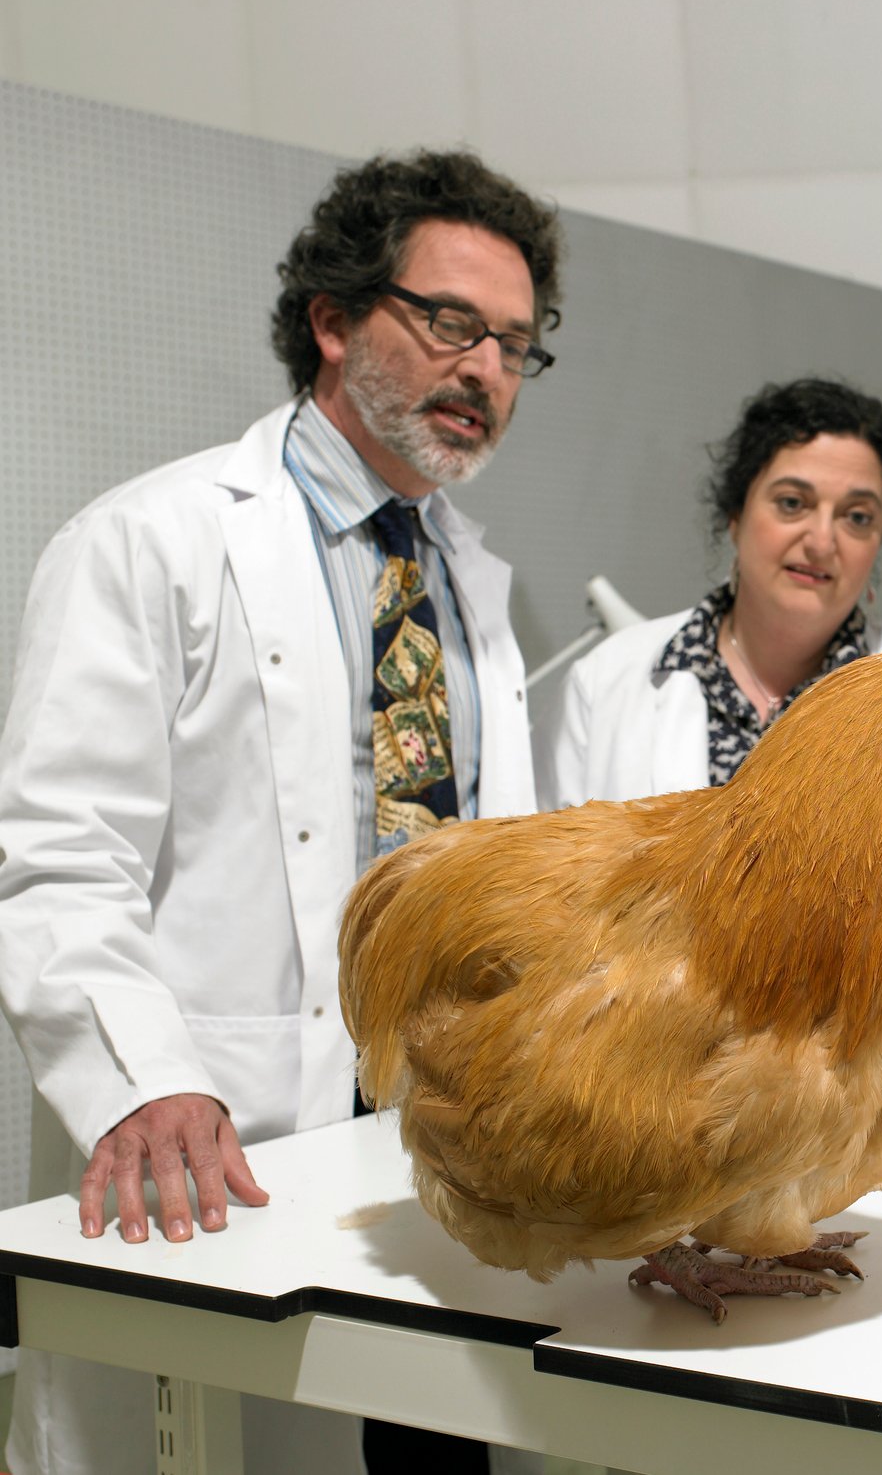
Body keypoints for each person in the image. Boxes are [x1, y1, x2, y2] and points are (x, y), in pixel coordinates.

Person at [0, 150, 562, 1474]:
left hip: (427, 1165)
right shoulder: (154, 544)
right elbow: (57, 860)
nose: (484, 370)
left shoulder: (475, 594)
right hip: (212, 1149)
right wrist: (149, 1084)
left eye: (516, 346)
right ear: (331, 317)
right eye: (449, 323)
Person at [546, 377, 882, 805]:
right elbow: (555, 865)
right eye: (792, 503)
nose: (822, 542)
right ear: (736, 515)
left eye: (857, 517)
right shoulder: (606, 680)